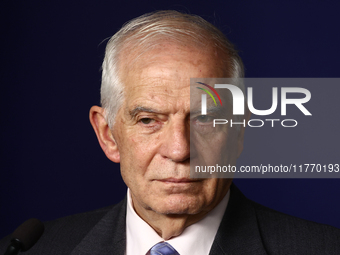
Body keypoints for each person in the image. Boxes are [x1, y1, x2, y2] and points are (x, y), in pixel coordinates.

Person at [1, 10, 339, 255]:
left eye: (205, 120)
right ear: (107, 135)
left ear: (239, 133)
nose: (179, 150)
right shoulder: (31, 250)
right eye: (149, 120)